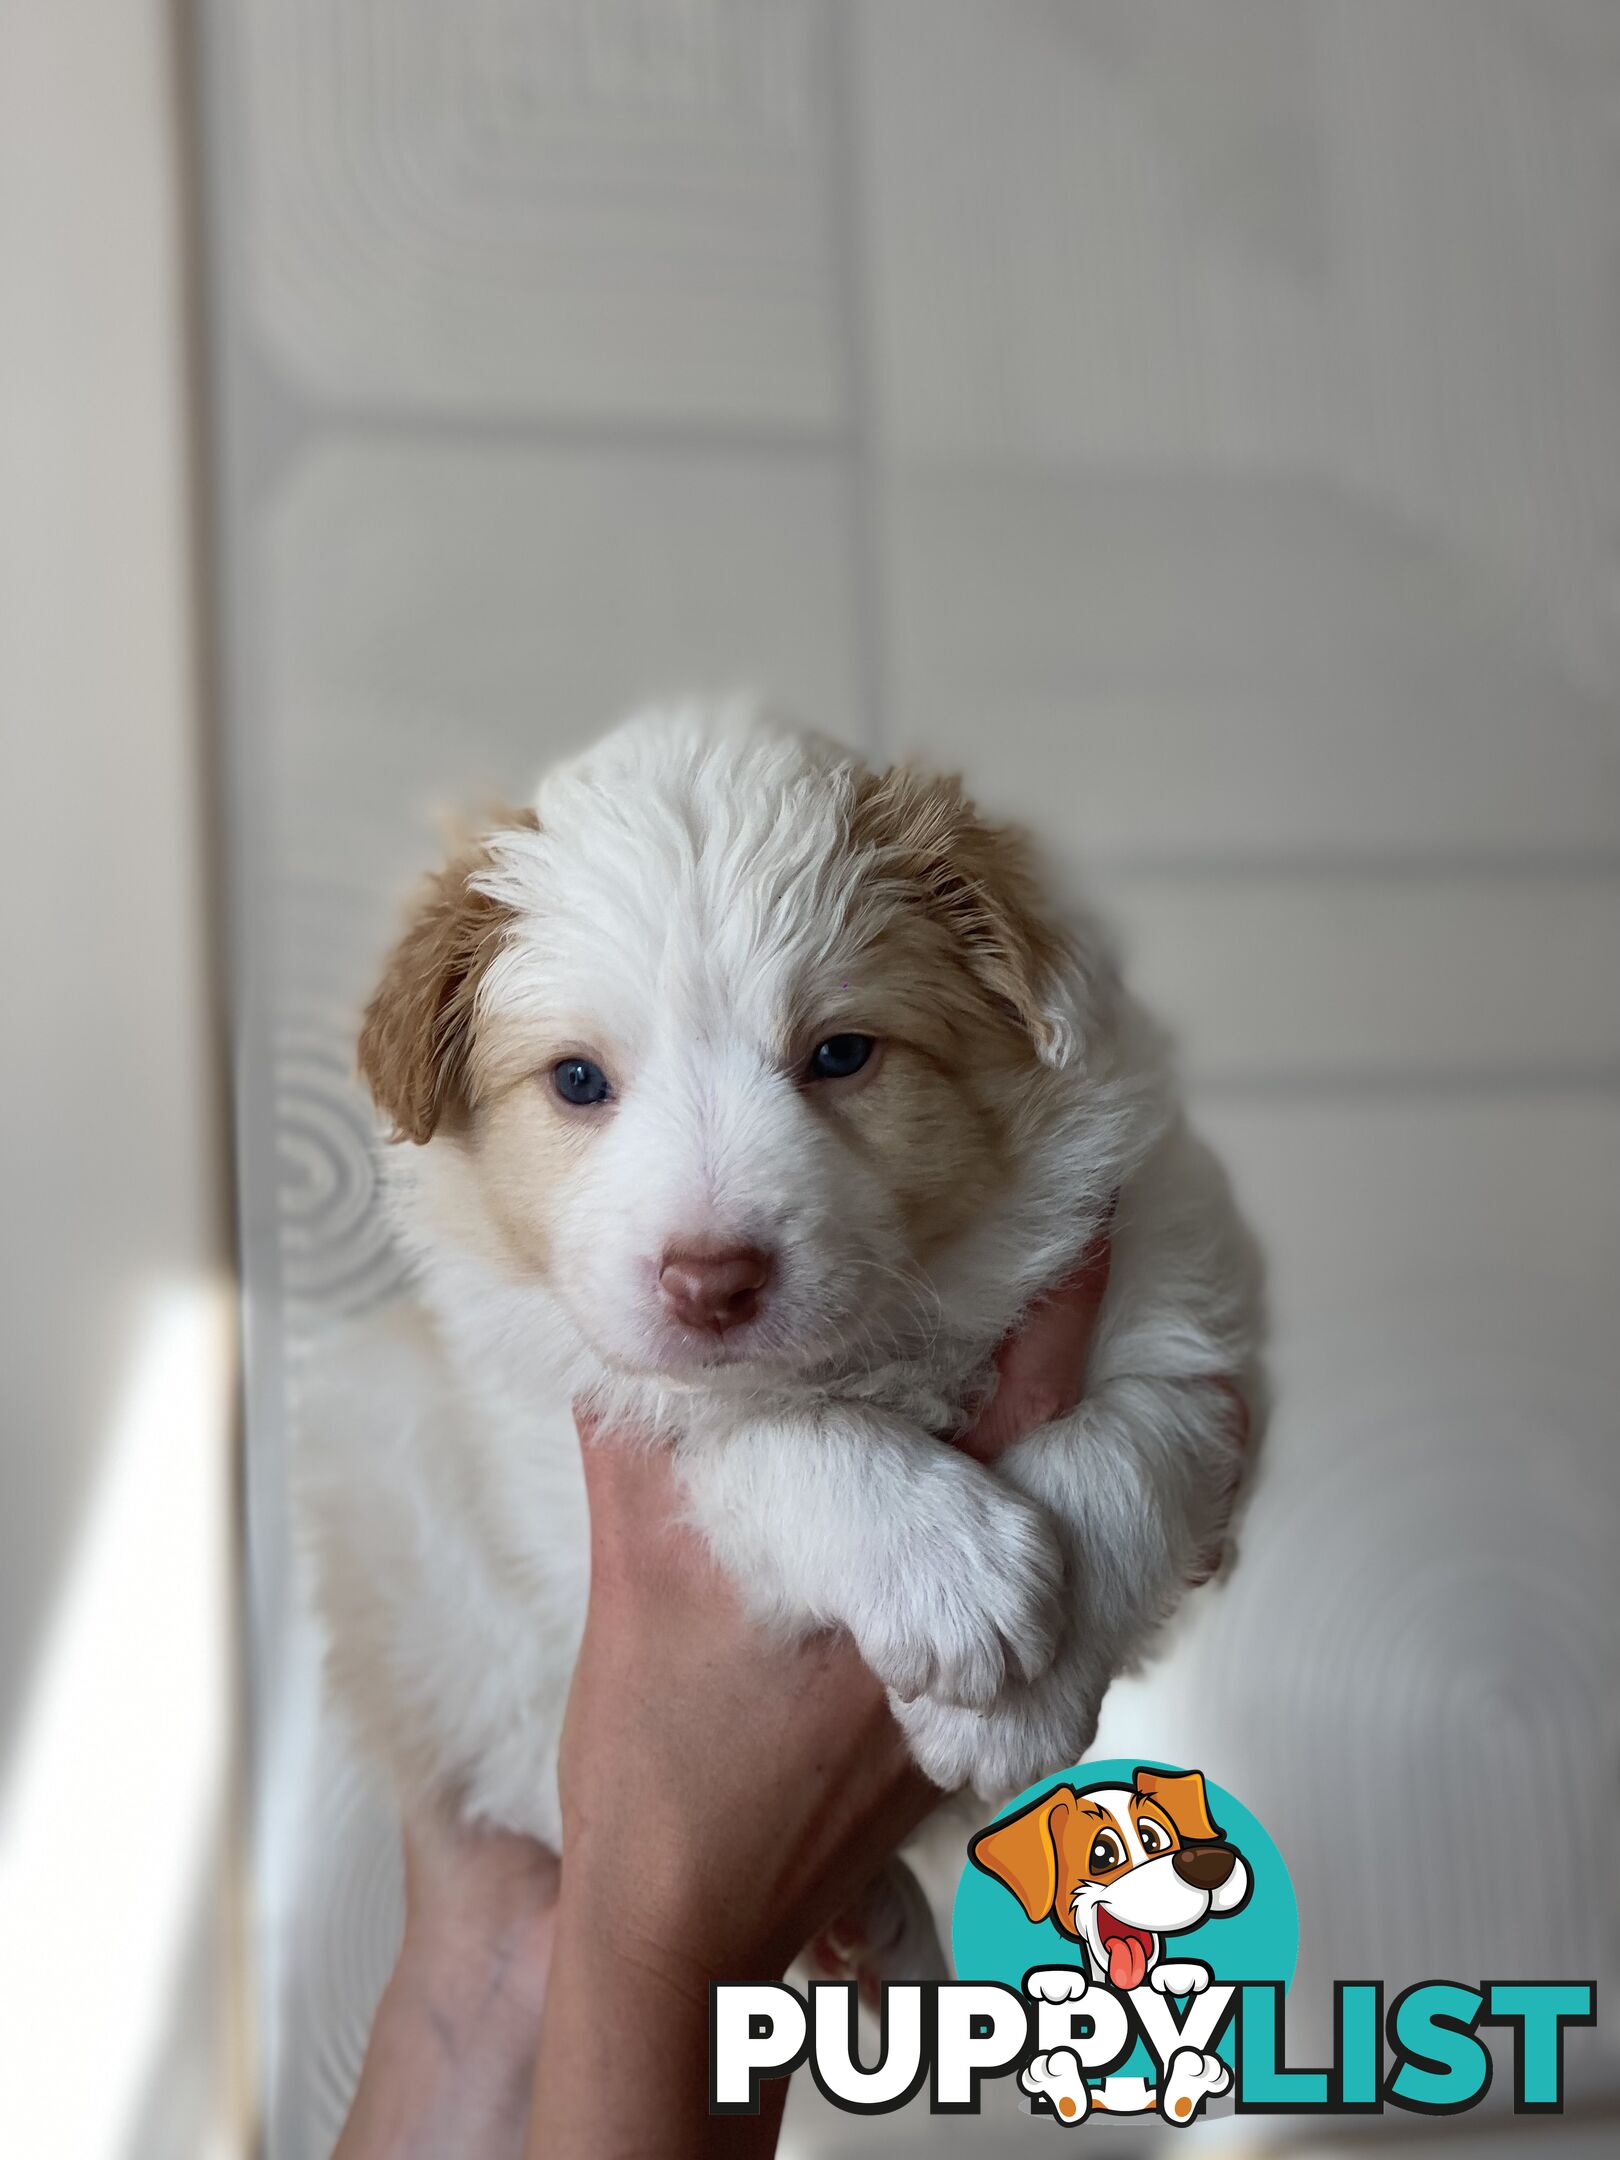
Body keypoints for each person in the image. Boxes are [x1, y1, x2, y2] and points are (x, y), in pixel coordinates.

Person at [334, 1237, 1242, 2157]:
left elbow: (1199, 1412)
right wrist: (674, 1944)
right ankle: (557, 1928)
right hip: (539, 1731)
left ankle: (538, 1939)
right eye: (581, 1083)